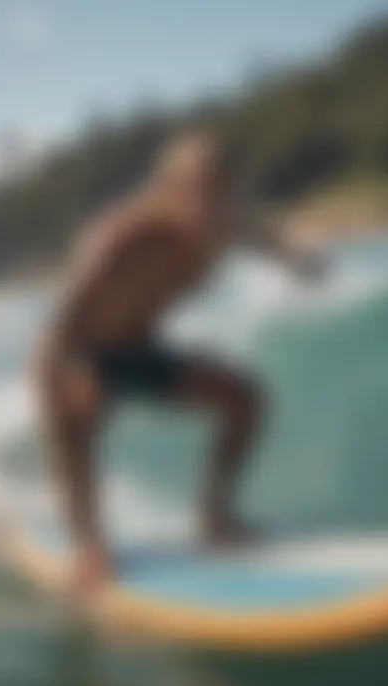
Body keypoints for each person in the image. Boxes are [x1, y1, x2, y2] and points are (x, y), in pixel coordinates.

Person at [34, 128, 324, 595]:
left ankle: (215, 517)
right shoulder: (123, 240)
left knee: (244, 400)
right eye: (196, 196)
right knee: (77, 435)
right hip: (80, 353)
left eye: (221, 196)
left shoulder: (226, 223)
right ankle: (87, 544)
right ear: (168, 192)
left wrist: (296, 261)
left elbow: (259, 234)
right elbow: (57, 331)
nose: (208, 211)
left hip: (139, 349)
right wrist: (63, 386)